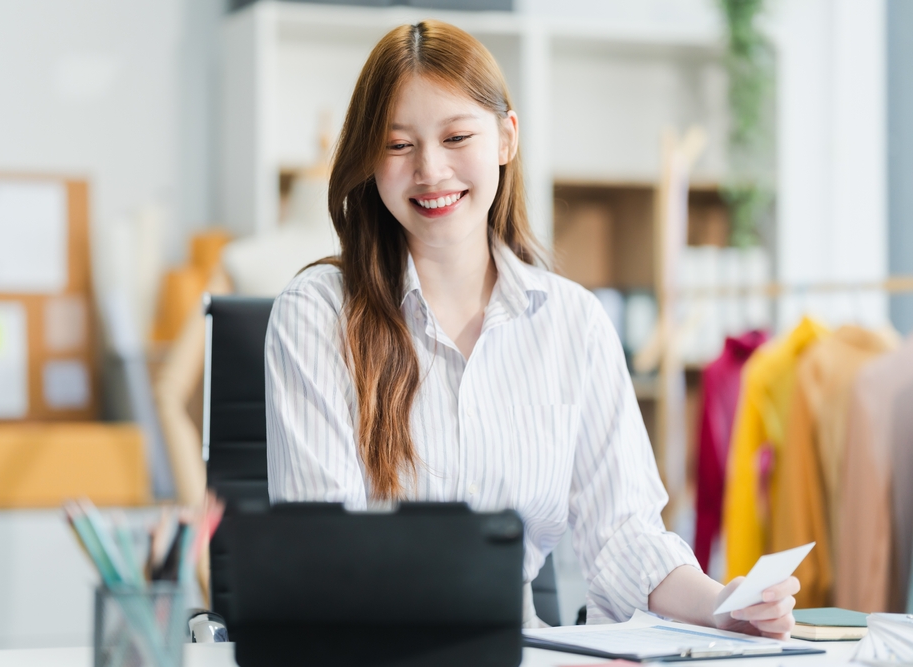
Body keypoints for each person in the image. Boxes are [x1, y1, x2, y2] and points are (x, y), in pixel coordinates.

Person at [264, 19, 798, 635]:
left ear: (505, 139)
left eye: (457, 136)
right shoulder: (318, 314)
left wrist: (723, 604)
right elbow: (319, 546)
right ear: (368, 160)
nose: (431, 170)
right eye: (398, 144)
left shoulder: (574, 324)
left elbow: (625, 536)